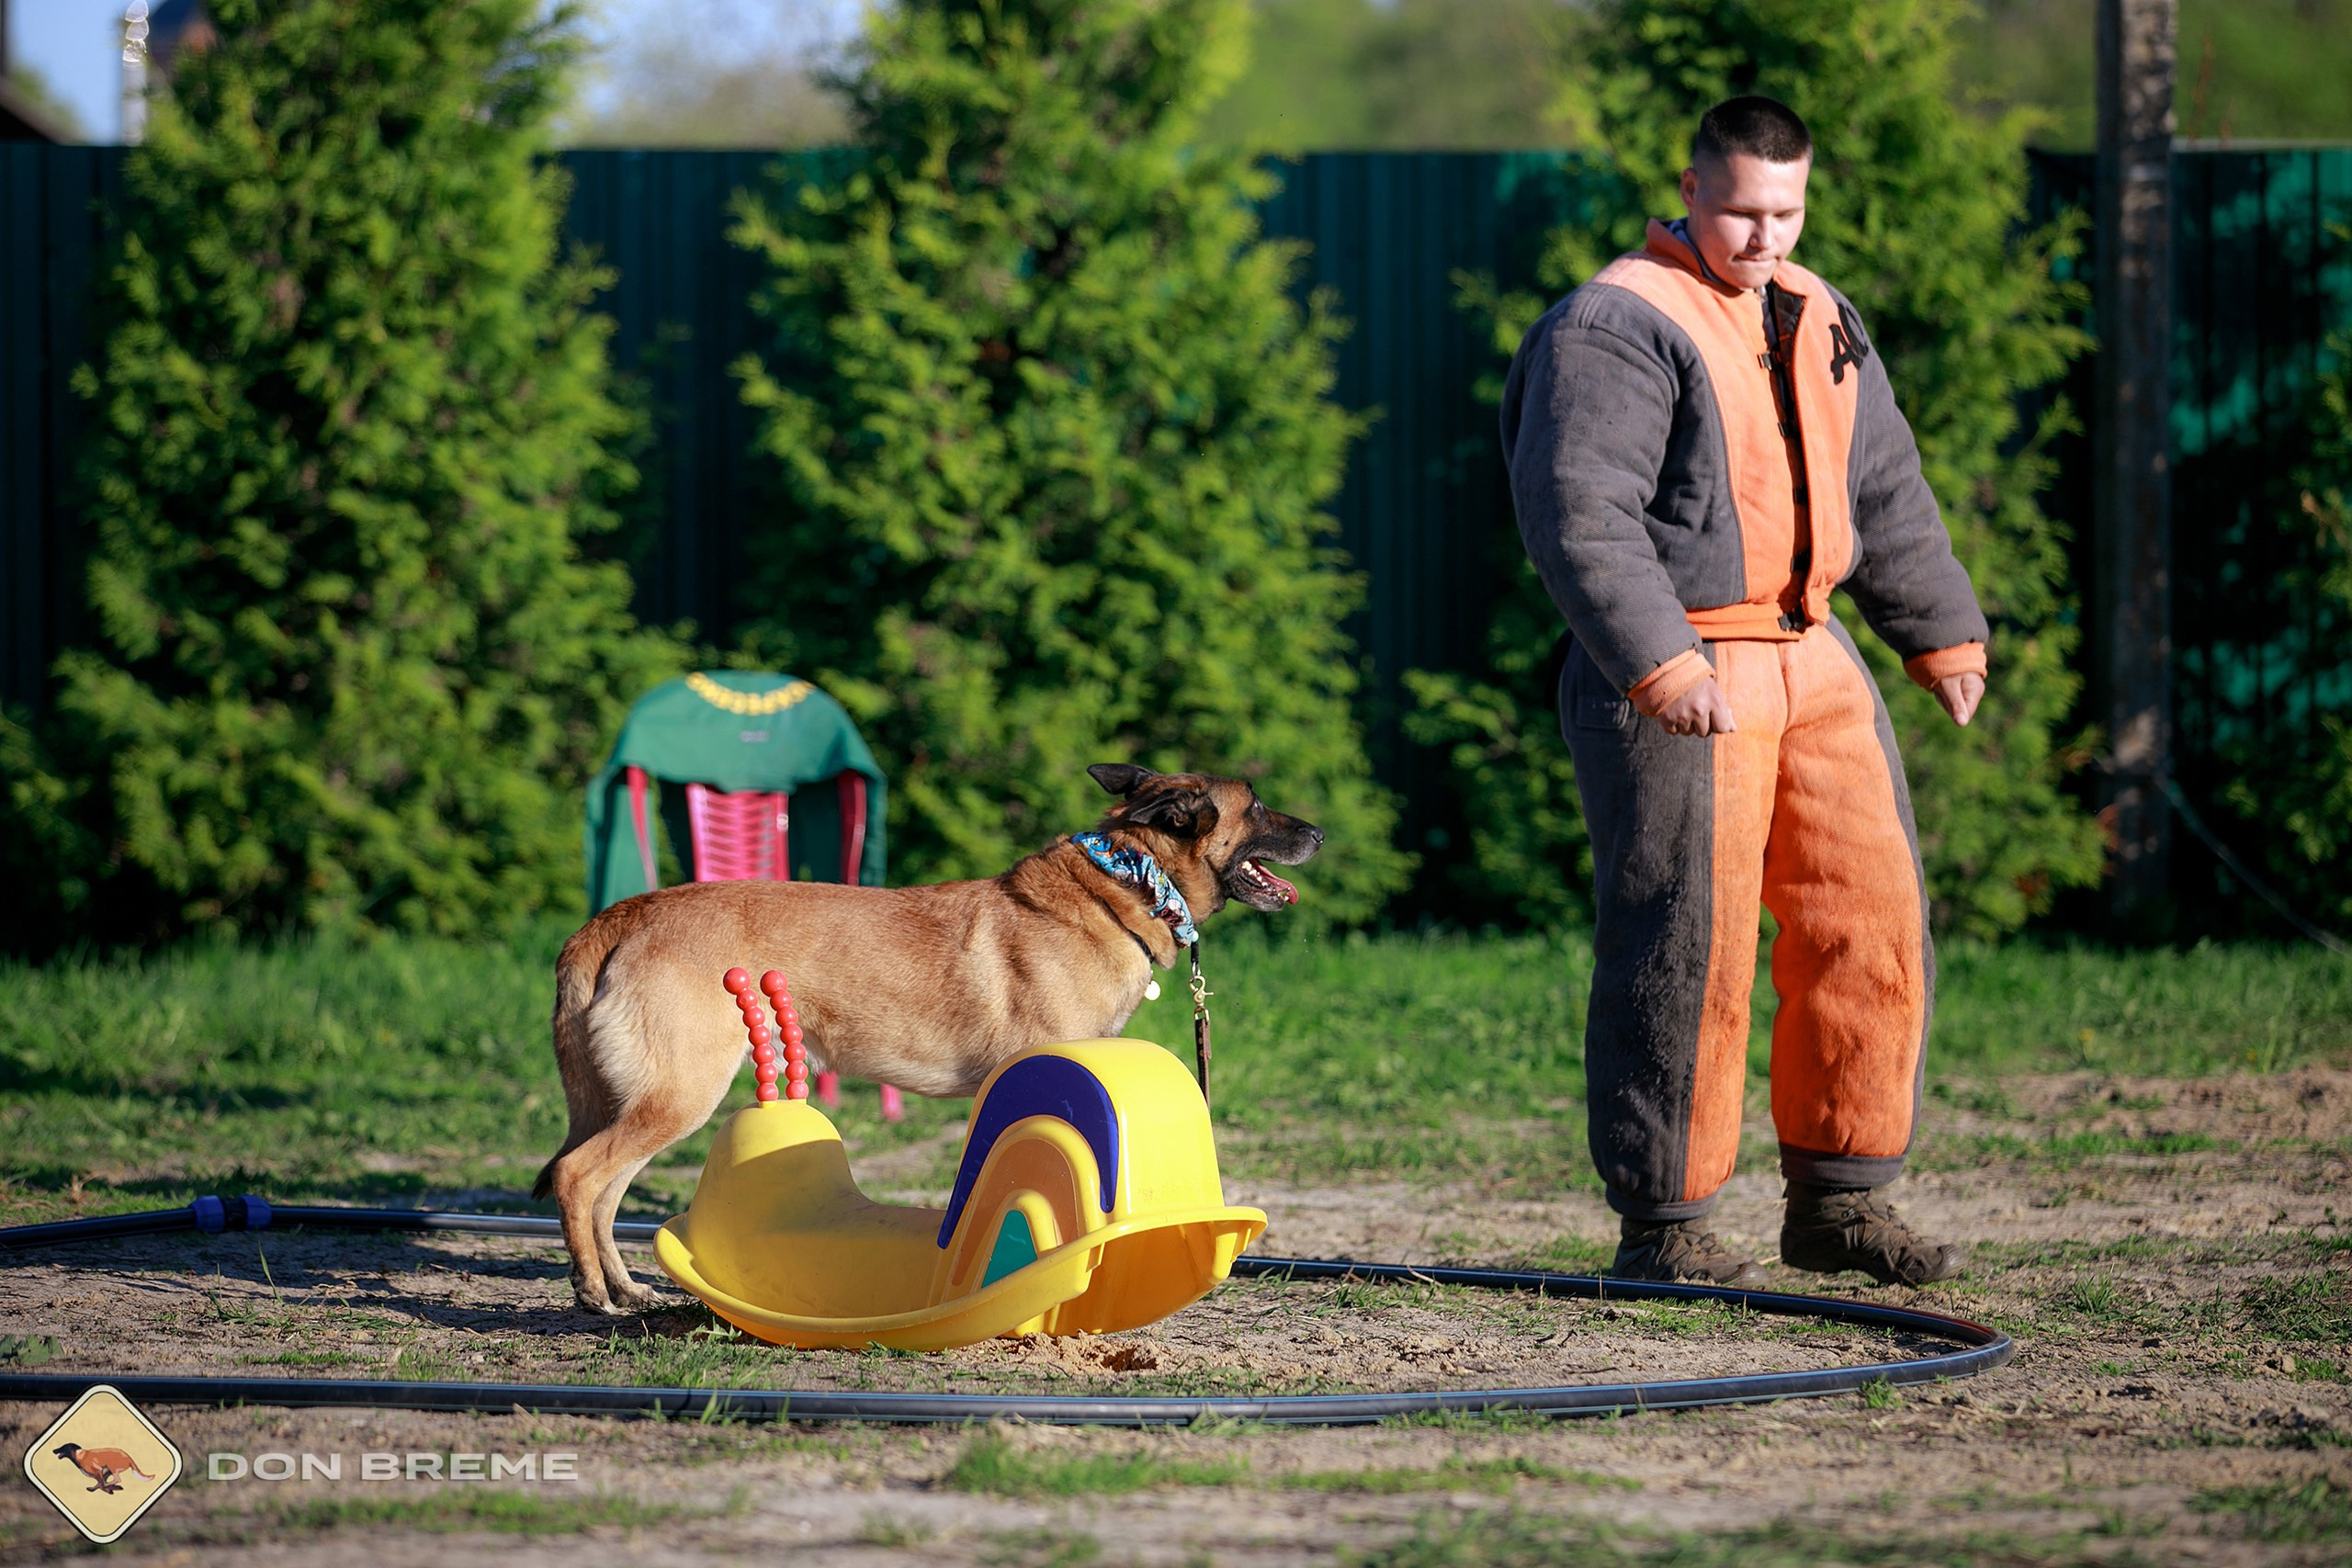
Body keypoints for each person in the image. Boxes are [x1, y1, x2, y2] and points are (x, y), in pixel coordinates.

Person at [1499, 96, 1981, 1288]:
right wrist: (1659, 663)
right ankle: (1666, 1228)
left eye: (1788, 210)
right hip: (1683, 669)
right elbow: (1579, 510)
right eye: (1742, 211)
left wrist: (1942, 635)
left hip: (1815, 657)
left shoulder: (1820, 312)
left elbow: (1886, 488)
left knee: (1867, 923)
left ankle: (1843, 1204)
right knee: (1685, 947)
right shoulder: (1616, 322)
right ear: (1690, 189)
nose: (1767, 236)